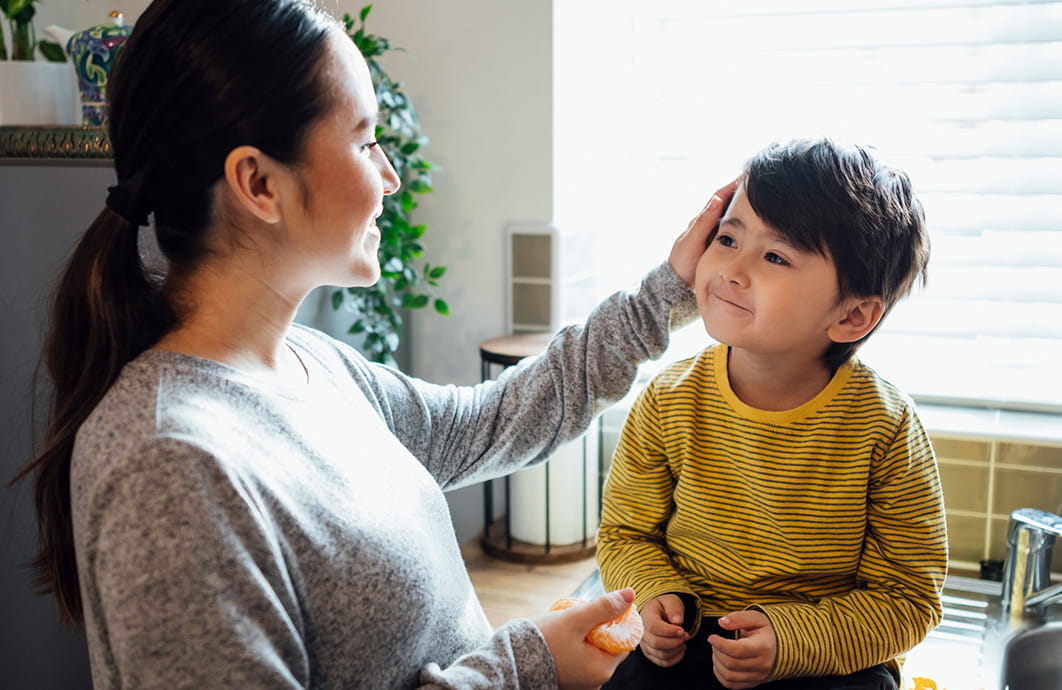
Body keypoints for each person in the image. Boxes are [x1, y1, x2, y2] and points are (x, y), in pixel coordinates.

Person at [10, 0, 738, 687]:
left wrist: (672, 287)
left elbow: (498, 419)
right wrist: (525, 665)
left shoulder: (309, 365)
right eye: (364, 140)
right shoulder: (171, 466)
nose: (391, 175)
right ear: (258, 183)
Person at [597, 138, 947, 690]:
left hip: (825, 647)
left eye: (776, 256)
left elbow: (909, 597)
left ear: (853, 315)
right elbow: (624, 534)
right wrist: (657, 597)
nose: (732, 269)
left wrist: (790, 641)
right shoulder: (669, 398)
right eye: (728, 238)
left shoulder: (886, 425)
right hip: (688, 635)